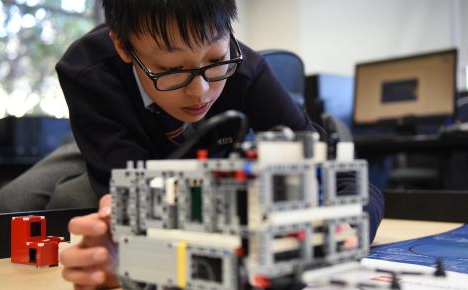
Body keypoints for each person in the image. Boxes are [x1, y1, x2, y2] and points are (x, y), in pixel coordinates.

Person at [59, 0, 384, 288]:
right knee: (52, 195)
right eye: (171, 70)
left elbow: (349, 180)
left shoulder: (248, 70)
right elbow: (130, 200)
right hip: (104, 144)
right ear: (122, 46)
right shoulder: (88, 70)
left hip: (199, 169)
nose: (200, 92)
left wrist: (340, 237)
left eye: (215, 59)